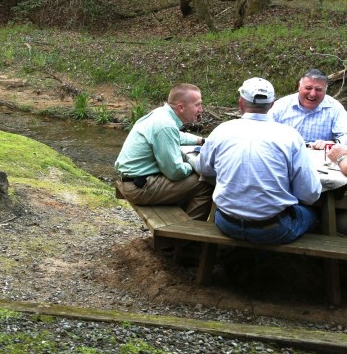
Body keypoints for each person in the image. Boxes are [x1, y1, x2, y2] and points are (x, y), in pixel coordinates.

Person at [196, 77, 321, 244]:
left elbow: (203, 169)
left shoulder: (222, 131)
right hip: (273, 230)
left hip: (227, 223)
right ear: (272, 105)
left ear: (241, 103)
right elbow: (309, 194)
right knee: (315, 215)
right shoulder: (289, 136)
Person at [114, 83, 212, 220]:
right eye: (197, 105)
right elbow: (175, 172)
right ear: (181, 107)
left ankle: (179, 231)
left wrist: (201, 141)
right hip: (138, 188)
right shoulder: (165, 125)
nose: (201, 110)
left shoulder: (161, 114)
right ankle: (188, 238)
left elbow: (177, 136)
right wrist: (195, 165)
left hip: (134, 180)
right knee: (204, 183)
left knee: (190, 182)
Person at [268, 68, 347, 150]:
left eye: (318, 90)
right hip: (286, 155)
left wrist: (333, 143)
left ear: (325, 90)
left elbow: (344, 135)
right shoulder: (281, 105)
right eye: (308, 88)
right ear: (299, 86)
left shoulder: (335, 108)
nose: (312, 94)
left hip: (320, 158)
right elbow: (264, 130)